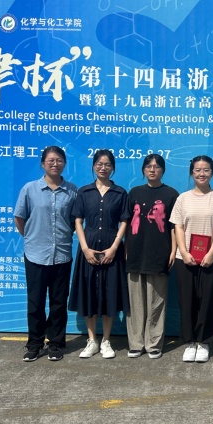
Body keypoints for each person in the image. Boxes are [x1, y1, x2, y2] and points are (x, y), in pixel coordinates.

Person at [14, 146, 78, 362]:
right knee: (36, 302)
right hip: (36, 253)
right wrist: (32, 237)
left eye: (59, 160)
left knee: (59, 302)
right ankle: (35, 343)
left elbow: (75, 221)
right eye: (50, 160)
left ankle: (56, 343)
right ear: (43, 163)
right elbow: (19, 217)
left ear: (64, 163)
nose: (55, 164)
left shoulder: (72, 191)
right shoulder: (30, 189)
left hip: (62, 253)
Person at [68, 149, 130, 359]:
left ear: (113, 167)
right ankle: (92, 340)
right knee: (90, 294)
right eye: (99, 164)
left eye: (107, 164)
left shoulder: (120, 193)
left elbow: (124, 221)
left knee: (110, 292)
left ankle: (106, 341)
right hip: (89, 246)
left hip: (112, 247)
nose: (103, 168)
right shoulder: (84, 192)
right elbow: (78, 221)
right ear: (94, 166)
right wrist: (85, 248)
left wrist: (114, 247)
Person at [169, 155, 213, 363]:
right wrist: (184, 252)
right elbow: (178, 227)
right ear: (191, 172)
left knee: (208, 301)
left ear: (212, 172)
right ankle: (190, 342)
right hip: (185, 258)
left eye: (206, 170)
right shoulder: (182, 199)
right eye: (197, 170)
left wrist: (212, 252)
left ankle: (204, 342)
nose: (201, 173)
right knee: (187, 301)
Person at [124, 154, 179, 359]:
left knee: (157, 301)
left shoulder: (171, 194)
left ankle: (154, 343)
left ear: (163, 170)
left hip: (159, 253)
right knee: (135, 302)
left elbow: (174, 227)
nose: (152, 169)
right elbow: (127, 224)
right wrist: (125, 249)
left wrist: (173, 251)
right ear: (143, 170)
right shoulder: (134, 193)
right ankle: (136, 343)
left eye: (157, 166)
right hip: (135, 253)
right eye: (148, 166)